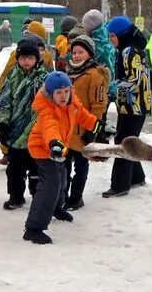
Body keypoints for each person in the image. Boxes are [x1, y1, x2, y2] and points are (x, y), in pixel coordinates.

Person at [23, 72, 99, 244]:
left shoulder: (71, 104)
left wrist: (98, 126)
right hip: (44, 149)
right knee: (50, 184)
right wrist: (54, 143)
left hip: (58, 149)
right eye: (58, 93)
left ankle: (55, 208)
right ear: (50, 95)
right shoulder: (47, 111)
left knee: (62, 178)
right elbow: (51, 129)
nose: (63, 96)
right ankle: (33, 228)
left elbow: (83, 116)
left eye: (66, 91)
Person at [0, 39, 48, 210]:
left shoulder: (44, 78)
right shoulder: (12, 76)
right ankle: (16, 196)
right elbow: (5, 101)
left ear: (37, 59)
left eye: (30, 57)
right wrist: (2, 123)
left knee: (36, 168)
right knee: (15, 169)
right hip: (16, 132)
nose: (26, 61)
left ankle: (38, 195)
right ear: (17, 58)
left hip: (36, 132)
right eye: (23, 57)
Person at [103, 15, 152, 198]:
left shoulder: (129, 51)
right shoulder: (131, 49)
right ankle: (136, 177)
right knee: (129, 140)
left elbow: (134, 79)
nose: (111, 40)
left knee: (123, 143)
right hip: (134, 104)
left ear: (122, 35)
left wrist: (113, 88)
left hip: (134, 104)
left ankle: (120, 185)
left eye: (113, 36)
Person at [64, 35, 109, 211]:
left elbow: (99, 105)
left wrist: (93, 129)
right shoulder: (68, 72)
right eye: (74, 52)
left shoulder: (95, 75)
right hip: (66, 129)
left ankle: (76, 197)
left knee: (81, 166)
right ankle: (63, 195)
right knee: (64, 166)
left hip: (83, 130)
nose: (76, 56)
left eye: (80, 52)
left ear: (89, 54)